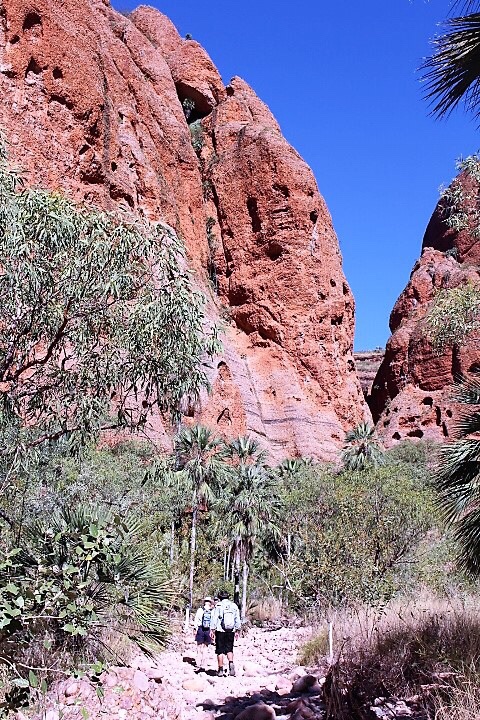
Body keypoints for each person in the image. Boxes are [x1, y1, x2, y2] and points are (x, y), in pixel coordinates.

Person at [209, 589, 241, 677]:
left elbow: (214, 618)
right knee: (229, 649)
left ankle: (220, 669)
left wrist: (212, 630)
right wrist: (238, 630)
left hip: (220, 631)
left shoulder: (218, 606)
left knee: (220, 651)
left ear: (219, 597)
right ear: (228, 597)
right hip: (231, 631)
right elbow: (237, 619)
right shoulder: (234, 606)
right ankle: (231, 664)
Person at [193, 596, 213, 670]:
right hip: (208, 630)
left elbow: (196, 620)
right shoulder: (212, 611)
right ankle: (204, 663)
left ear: (204, 602)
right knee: (206, 647)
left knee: (199, 647)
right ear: (210, 603)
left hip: (200, 629)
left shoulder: (200, 610)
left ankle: (198, 663)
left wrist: (195, 629)